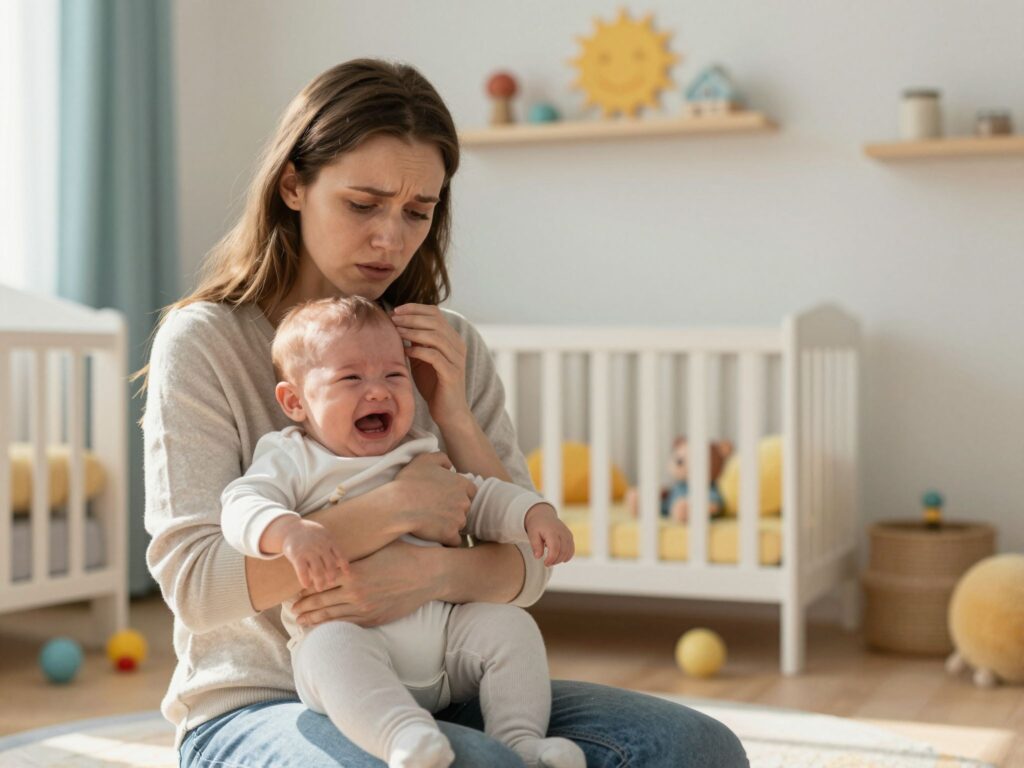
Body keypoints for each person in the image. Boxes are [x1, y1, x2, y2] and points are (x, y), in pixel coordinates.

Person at [142, 57, 749, 767]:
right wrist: (397, 509)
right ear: (294, 186)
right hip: (261, 703)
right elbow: (200, 590)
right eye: (363, 204)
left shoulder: (449, 343)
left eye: (417, 212)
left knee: (697, 749)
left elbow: (527, 572)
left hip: (441, 675)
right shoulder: (207, 342)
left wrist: (451, 424)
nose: (391, 239)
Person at [220, 295, 582, 768]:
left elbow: (479, 497)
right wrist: (288, 532)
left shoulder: (417, 450)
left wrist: (534, 514)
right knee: (328, 649)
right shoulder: (291, 458)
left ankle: (520, 739)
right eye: (351, 378)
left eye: (394, 375)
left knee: (511, 627)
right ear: (294, 401)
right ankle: (402, 738)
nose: (377, 392)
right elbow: (241, 504)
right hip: (353, 640)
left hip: (447, 645)